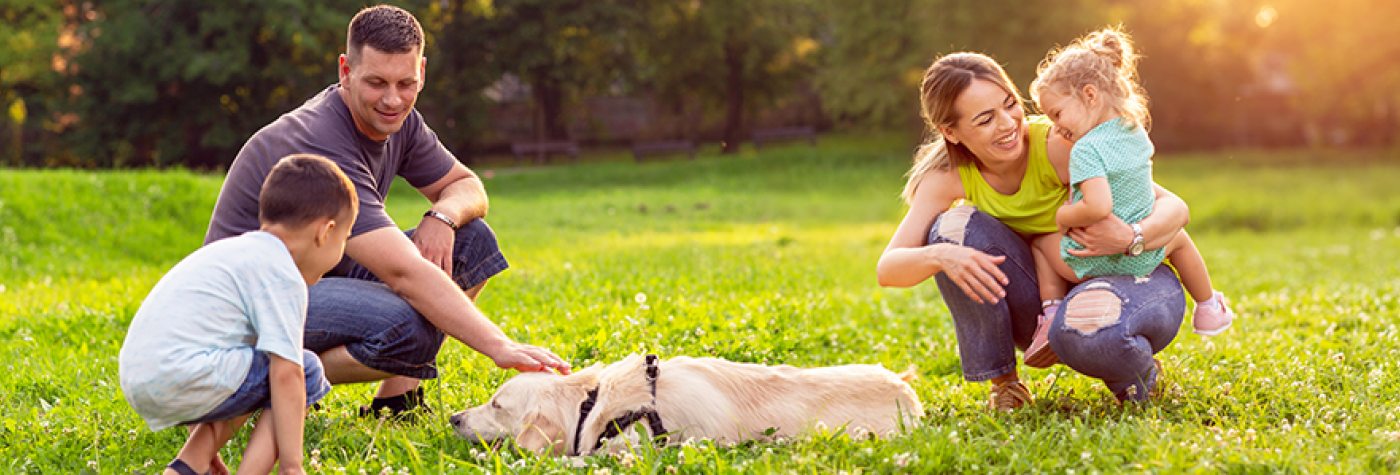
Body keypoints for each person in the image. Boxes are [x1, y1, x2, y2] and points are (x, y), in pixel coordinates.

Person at [204, 4, 570, 419]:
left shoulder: (402, 121)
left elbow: (466, 186)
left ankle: (396, 403)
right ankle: (270, 383)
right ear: (345, 70)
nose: (392, 99)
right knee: (405, 325)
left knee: (473, 241)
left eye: (405, 83)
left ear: (422, 73)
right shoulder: (322, 138)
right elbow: (403, 273)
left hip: (320, 272)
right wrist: (499, 346)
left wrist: (443, 216)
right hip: (249, 309)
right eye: (376, 82)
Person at [877, 51, 1191, 410]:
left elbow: (1176, 207)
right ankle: (1006, 386)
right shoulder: (946, 179)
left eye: (1010, 104)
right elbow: (888, 269)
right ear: (951, 132)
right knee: (951, 230)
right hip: (1051, 303)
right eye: (985, 120)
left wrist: (1132, 236)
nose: (1008, 123)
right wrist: (942, 255)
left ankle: (1139, 377)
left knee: (1090, 322)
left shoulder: (1063, 145)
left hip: (1135, 279)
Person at [121, 154, 356, 475]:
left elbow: (214, 353)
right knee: (306, 369)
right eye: (345, 238)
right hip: (182, 372)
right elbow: (287, 374)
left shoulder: (233, 253)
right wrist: (291, 465)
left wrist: (206, 447)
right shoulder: (281, 273)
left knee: (255, 368)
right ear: (325, 232)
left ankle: (187, 467)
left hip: (143, 375)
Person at [1021, 28, 1235, 369]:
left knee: (1040, 246)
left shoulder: (1086, 149)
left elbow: (1098, 207)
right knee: (1179, 239)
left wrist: (1064, 216)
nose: (1056, 127)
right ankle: (1209, 306)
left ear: (1090, 95)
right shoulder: (1134, 131)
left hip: (1092, 261)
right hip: (1145, 253)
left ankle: (1051, 314)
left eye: (1057, 114)